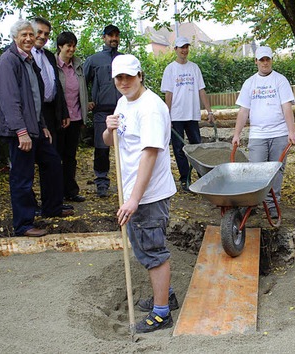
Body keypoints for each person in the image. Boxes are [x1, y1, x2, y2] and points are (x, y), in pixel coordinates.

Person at [103, 54, 178, 333]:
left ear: (140, 75)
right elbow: (112, 140)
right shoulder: (124, 101)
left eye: (129, 76)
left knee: (152, 251)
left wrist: (134, 199)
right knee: (144, 247)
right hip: (133, 192)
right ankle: (166, 297)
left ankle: (162, 313)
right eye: (119, 78)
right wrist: (108, 130)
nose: (124, 82)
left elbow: (149, 154)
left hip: (148, 195)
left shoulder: (151, 108)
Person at [0, 20, 73, 237]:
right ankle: (24, 225)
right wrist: (21, 131)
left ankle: (51, 208)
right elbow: (9, 101)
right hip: (19, 132)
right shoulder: (8, 62)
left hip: (35, 128)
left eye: (31, 34)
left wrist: (42, 126)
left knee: (52, 163)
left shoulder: (29, 61)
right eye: (24, 35)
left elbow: (34, 98)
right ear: (14, 37)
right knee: (22, 177)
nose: (29, 38)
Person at [231, 46, 295, 218]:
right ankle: (251, 204)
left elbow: (287, 107)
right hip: (258, 135)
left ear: (271, 60)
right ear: (256, 62)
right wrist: (237, 134)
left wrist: (291, 131)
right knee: (255, 170)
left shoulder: (280, 80)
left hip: (279, 133)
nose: (265, 62)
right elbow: (243, 111)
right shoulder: (250, 83)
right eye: (262, 60)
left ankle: (272, 206)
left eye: (267, 59)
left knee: (276, 170)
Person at [161, 36, 215, 192]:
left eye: (186, 47)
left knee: (197, 147)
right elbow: (168, 94)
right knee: (179, 149)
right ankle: (185, 179)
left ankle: (203, 178)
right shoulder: (170, 69)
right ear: (176, 50)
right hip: (177, 115)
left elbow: (201, 90)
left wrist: (209, 111)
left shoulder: (194, 68)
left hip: (192, 114)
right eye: (181, 47)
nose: (184, 50)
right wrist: (168, 116)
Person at [83, 24, 123, 198]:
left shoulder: (124, 59)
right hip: (101, 111)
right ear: (103, 38)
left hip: (123, 110)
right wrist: (87, 101)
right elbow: (81, 83)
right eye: (110, 35)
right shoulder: (94, 60)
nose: (113, 38)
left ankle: (129, 182)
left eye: (116, 35)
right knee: (101, 147)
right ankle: (101, 182)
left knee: (128, 146)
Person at [55, 31, 88, 203]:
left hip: (75, 119)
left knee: (70, 157)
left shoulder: (78, 66)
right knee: (56, 157)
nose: (72, 49)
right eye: (68, 45)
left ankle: (71, 191)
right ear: (60, 46)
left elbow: (82, 92)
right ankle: (57, 192)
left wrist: (84, 116)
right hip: (59, 119)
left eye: (74, 45)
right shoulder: (52, 66)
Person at [31, 17, 68, 148]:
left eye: (46, 34)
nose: (42, 36)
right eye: (39, 32)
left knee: (52, 157)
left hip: (51, 112)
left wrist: (64, 112)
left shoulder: (50, 56)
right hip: (32, 112)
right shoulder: (23, 55)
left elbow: (57, 84)